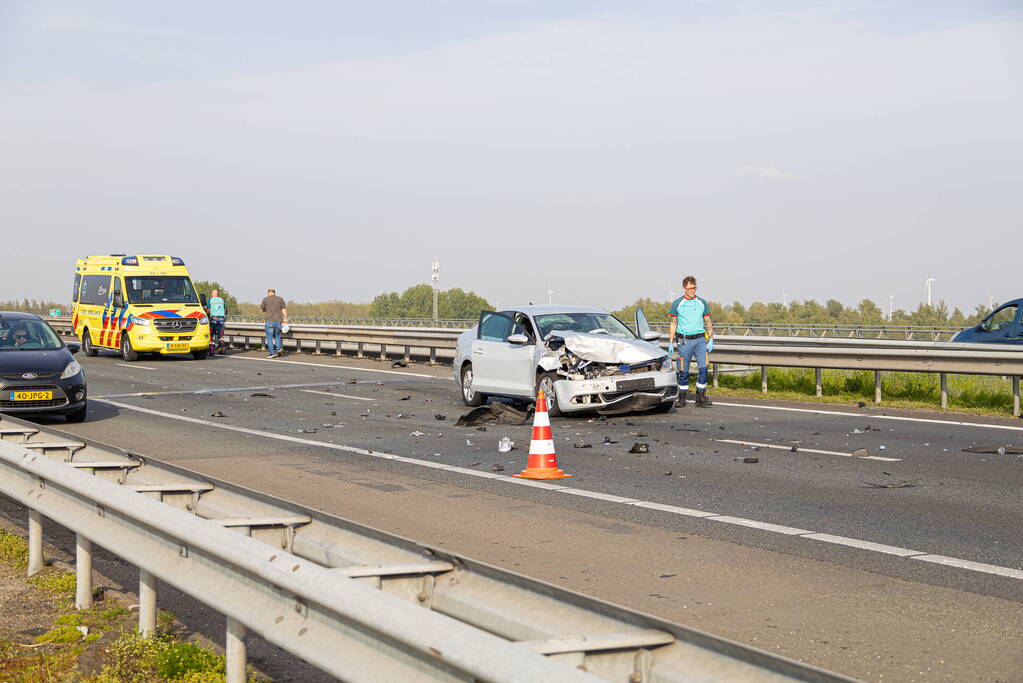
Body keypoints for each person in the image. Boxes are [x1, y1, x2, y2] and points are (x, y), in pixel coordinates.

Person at [668, 276, 715, 407]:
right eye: (689, 288)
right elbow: (673, 323)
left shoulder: (702, 302)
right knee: (683, 370)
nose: (692, 291)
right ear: (684, 288)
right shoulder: (677, 303)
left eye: (694, 288)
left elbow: (708, 321)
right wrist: (671, 341)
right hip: (684, 341)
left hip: (700, 339)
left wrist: (711, 339)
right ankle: (682, 397)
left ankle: (701, 395)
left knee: (704, 367)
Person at [260, 288, 288, 358]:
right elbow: (284, 310)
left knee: (269, 338)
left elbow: (261, 310)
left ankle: (272, 353)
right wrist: (286, 319)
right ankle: (278, 349)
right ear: (274, 292)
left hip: (269, 321)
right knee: (277, 336)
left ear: (268, 293)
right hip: (278, 321)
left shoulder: (265, 299)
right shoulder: (280, 299)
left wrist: (265, 309)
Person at [207, 289, 226, 354]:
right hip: (221, 319)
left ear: (213, 294)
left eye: (212, 294)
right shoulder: (222, 300)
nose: (211, 295)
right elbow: (225, 310)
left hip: (214, 319)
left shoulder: (210, 300)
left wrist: (208, 314)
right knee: (220, 335)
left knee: (211, 335)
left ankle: (211, 349)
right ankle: (222, 347)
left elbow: (208, 309)